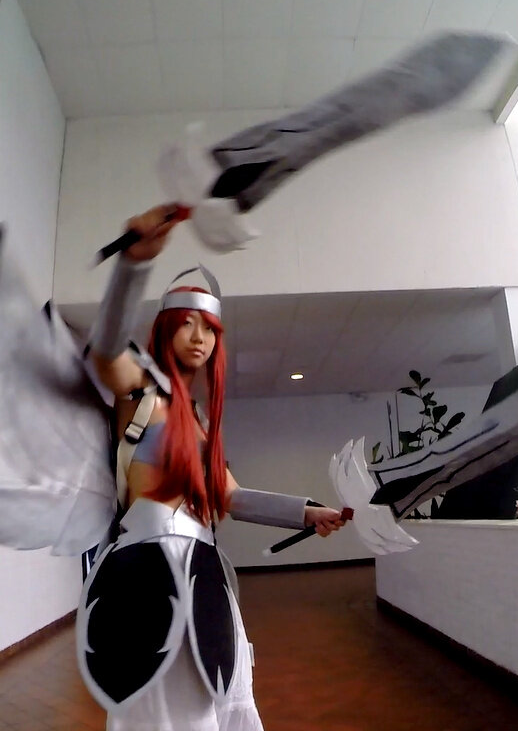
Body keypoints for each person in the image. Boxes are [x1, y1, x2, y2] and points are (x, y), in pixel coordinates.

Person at [81, 203, 348, 730]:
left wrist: (306, 512)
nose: (199, 337)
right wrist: (133, 264)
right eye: (185, 324)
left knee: (219, 703)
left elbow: (229, 496)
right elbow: (105, 351)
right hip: (147, 572)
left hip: (204, 573)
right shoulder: (140, 395)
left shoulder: (201, 423)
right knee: (167, 714)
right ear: (164, 331)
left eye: (208, 329)